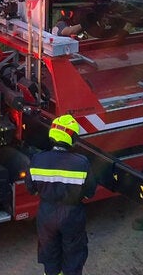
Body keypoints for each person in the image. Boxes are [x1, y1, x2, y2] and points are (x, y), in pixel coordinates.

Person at [26, 113, 97, 275]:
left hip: (46, 214)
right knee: (73, 257)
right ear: (71, 137)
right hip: (72, 215)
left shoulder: (38, 160)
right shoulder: (81, 162)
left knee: (50, 255)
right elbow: (90, 192)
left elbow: (31, 188)